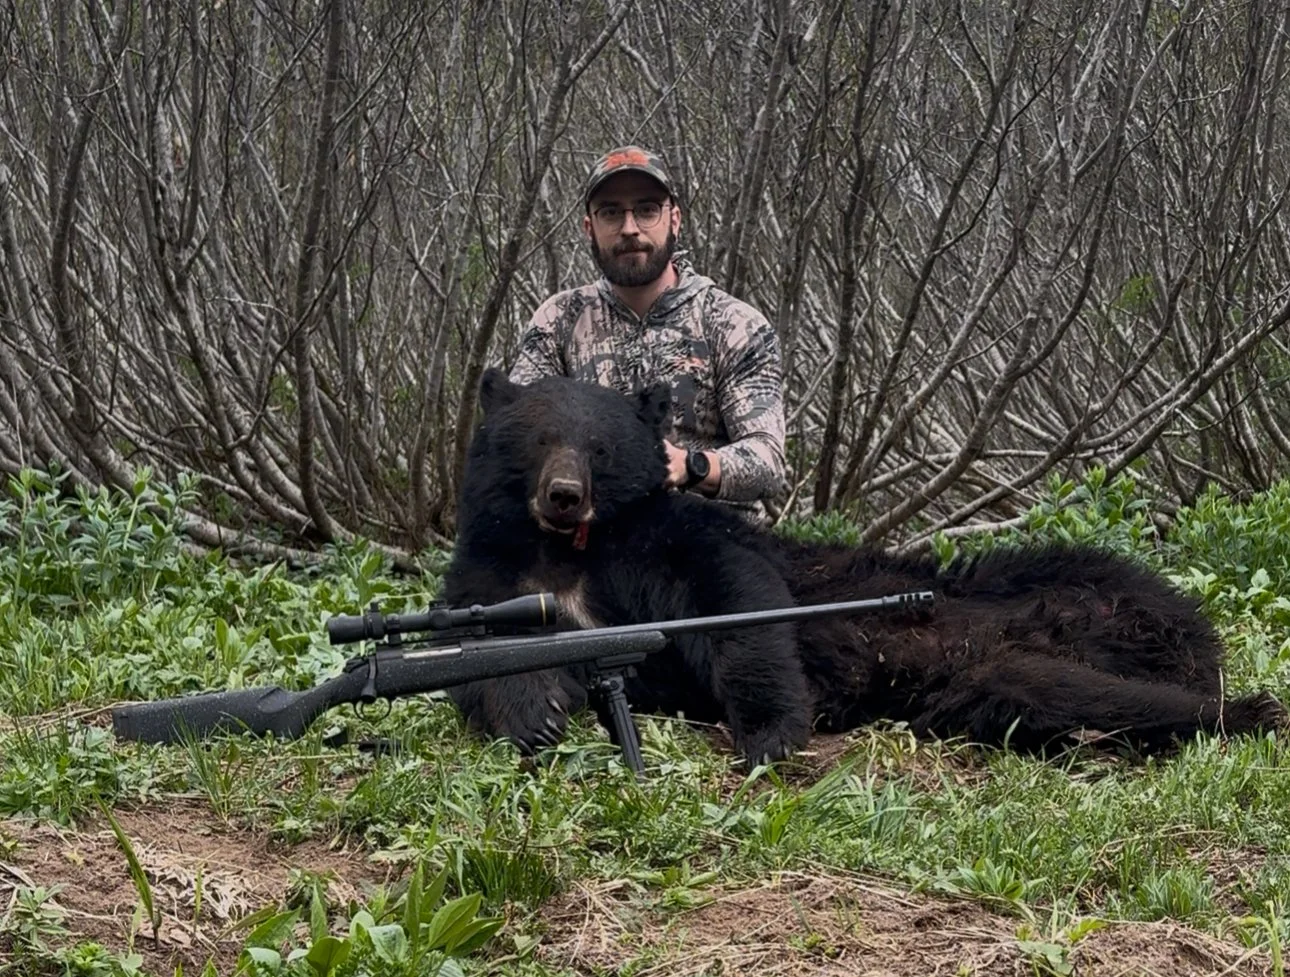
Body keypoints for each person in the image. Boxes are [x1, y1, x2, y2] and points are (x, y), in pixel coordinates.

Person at [508, 145, 788, 523]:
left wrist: (690, 466)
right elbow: (514, 435)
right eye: (611, 212)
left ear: (674, 219)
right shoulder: (558, 321)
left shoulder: (734, 325)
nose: (629, 228)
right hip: (586, 548)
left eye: (646, 209)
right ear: (589, 227)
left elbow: (768, 461)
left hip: (713, 545)